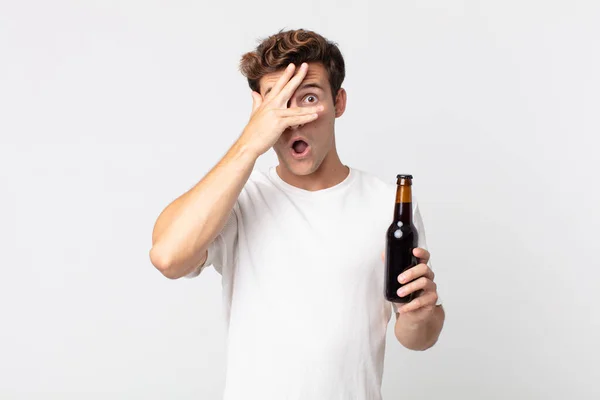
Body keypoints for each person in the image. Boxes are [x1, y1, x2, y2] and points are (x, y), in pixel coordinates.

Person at [149, 28, 445, 400]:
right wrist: (249, 143)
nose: (295, 119)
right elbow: (167, 257)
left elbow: (417, 338)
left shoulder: (389, 205)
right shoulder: (240, 199)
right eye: (280, 103)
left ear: (339, 102)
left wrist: (421, 314)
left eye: (308, 97)